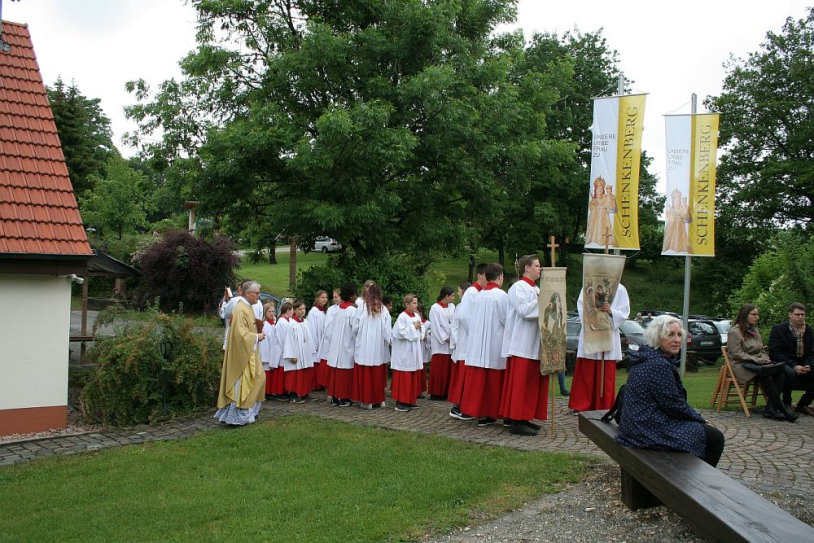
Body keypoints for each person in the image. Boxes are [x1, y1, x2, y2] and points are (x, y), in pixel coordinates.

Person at [616, 315, 725, 467]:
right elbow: (673, 403)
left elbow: (669, 402)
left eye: (679, 335)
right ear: (657, 337)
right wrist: (699, 418)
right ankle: (698, 484)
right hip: (644, 430)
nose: (677, 340)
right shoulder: (658, 364)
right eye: (670, 335)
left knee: (702, 432)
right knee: (715, 438)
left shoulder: (647, 356)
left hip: (634, 424)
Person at [499, 255, 547, 436]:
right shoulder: (518, 287)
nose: (539, 269)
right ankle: (516, 420)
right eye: (536, 266)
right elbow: (525, 311)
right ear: (527, 268)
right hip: (521, 342)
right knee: (520, 384)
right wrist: (542, 300)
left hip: (533, 341)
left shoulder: (536, 288)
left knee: (529, 383)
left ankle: (525, 416)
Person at [727, 304, 797, 422]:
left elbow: (761, 349)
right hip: (742, 365)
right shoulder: (735, 332)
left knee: (780, 374)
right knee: (766, 375)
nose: (757, 317)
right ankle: (782, 409)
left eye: (757, 314)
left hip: (758, 364)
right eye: (754, 314)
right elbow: (737, 354)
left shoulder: (754, 330)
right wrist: (758, 360)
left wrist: (765, 359)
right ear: (745, 315)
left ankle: (770, 409)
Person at [569, 282, 630, 412]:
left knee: (605, 374)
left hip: (608, 332)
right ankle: (582, 404)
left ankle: (603, 404)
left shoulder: (619, 288)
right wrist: (593, 313)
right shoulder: (589, 285)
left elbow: (624, 312)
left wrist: (610, 311)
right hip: (591, 330)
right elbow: (581, 306)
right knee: (587, 371)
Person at [461, 263, 508, 427]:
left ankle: (482, 414)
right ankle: (493, 412)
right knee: (493, 383)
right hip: (494, 343)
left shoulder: (478, 295)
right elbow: (506, 319)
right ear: (500, 276)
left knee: (481, 382)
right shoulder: (501, 296)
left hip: (478, 344)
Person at [214, 281, 266, 425]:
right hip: (242, 355)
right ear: (248, 293)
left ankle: (249, 411)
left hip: (249, 350)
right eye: (256, 293)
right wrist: (256, 337)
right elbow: (239, 334)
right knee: (247, 381)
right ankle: (240, 413)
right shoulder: (240, 308)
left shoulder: (247, 307)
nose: (258, 296)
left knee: (259, 377)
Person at [449, 265, 486, 421]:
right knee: (464, 377)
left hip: (473, 343)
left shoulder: (481, 293)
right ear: (480, 276)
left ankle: (464, 406)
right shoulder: (471, 292)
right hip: (468, 343)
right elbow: (464, 317)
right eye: (486, 275)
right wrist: (475, 334)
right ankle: (459, 407)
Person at [769, 302, 814, 415]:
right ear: (790, 315)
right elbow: (775, 352)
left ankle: (803, 404)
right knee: (788, 372)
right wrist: (793, 365)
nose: (800, 317)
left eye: (802, 315)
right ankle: (787, 403)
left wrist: (808, 364)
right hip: (785, 363)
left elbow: (812, 352)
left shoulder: (808, 331)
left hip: (803, 364)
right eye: (797, 314)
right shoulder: (778, 330)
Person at [352, 284, 391, 409]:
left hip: (364, 347)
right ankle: (379, 400)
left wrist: (359, 337)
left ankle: (367, 401)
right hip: (378, 349)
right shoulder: (383, 309)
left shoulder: (362, 307)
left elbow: (355, 327)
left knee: (366, 375)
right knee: (377, 374)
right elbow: (387, 332)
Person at [391, 294, 425, 412]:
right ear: (407, 304)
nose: (417, 305)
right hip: (404, 351)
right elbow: (399, 333)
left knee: (412, 375)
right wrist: (413, 326)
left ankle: (410, 400)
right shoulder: (402, 317)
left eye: (417, 302)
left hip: (414, 350)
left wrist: (420, 328)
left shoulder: (417, 316)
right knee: (404, 377)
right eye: (414, 303)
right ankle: (401, 402)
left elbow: (421, 332)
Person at [326, 284, 358, 407]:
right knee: (344, 374)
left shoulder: (338, 309)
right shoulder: (352, 311)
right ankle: (343, 397)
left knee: (336, 371)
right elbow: (355, 329)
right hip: (347, 345)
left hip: (337, 345)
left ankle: (335, 397)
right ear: (351, 296)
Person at [282, 300, 316, 403]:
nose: (302, 311)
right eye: (300, 309)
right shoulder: (291, 324)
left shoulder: (305, 322)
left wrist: (311, 350)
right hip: (296, 353)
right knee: (294, 375)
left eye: (304, 309)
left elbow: (309, 338)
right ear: (294, 311)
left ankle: (304, 392)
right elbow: (288, 340)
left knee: (304, 373)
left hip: (305, 353)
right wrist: (291, 355)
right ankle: (293, 394)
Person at [428, 286, 455, 400]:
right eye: (452, 296)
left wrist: (453, 336)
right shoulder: (435, 308)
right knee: (439, 369)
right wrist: (445, 338)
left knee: (448, 369)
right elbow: (435, 326)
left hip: (451, 342)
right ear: (446, 296)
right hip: (440, 344)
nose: (454, 298)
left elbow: (454, 322)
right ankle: (436, 392)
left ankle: (446, 392)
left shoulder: (452, 307)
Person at [315, 289, 340, 391]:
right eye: (333, 297)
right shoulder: (331, 310)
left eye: (336, 297)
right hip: (330, 339)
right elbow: (327, 325)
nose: (334, 299)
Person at [307, 290, 329, 390]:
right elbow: (312, 329)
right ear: (317, 298)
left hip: (323, 340)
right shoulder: (313, 312)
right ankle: (315, 384)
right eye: (322, 297)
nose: (324, 300)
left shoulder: (324, 312)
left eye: (326, 298)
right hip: (316, 341)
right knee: (315, 361)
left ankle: (320, 383)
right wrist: (314, 344)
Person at [258, 300, 277, 400]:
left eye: (273, 311)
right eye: (269, 311)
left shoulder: (274, 323)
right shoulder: (265, 325)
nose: (271, 314)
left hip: (272, 352)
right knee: (266, 372)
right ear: (265, 312)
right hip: (267, 353)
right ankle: (266, 392)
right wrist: (266, 357)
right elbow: (265, 343)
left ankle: (269, 391)